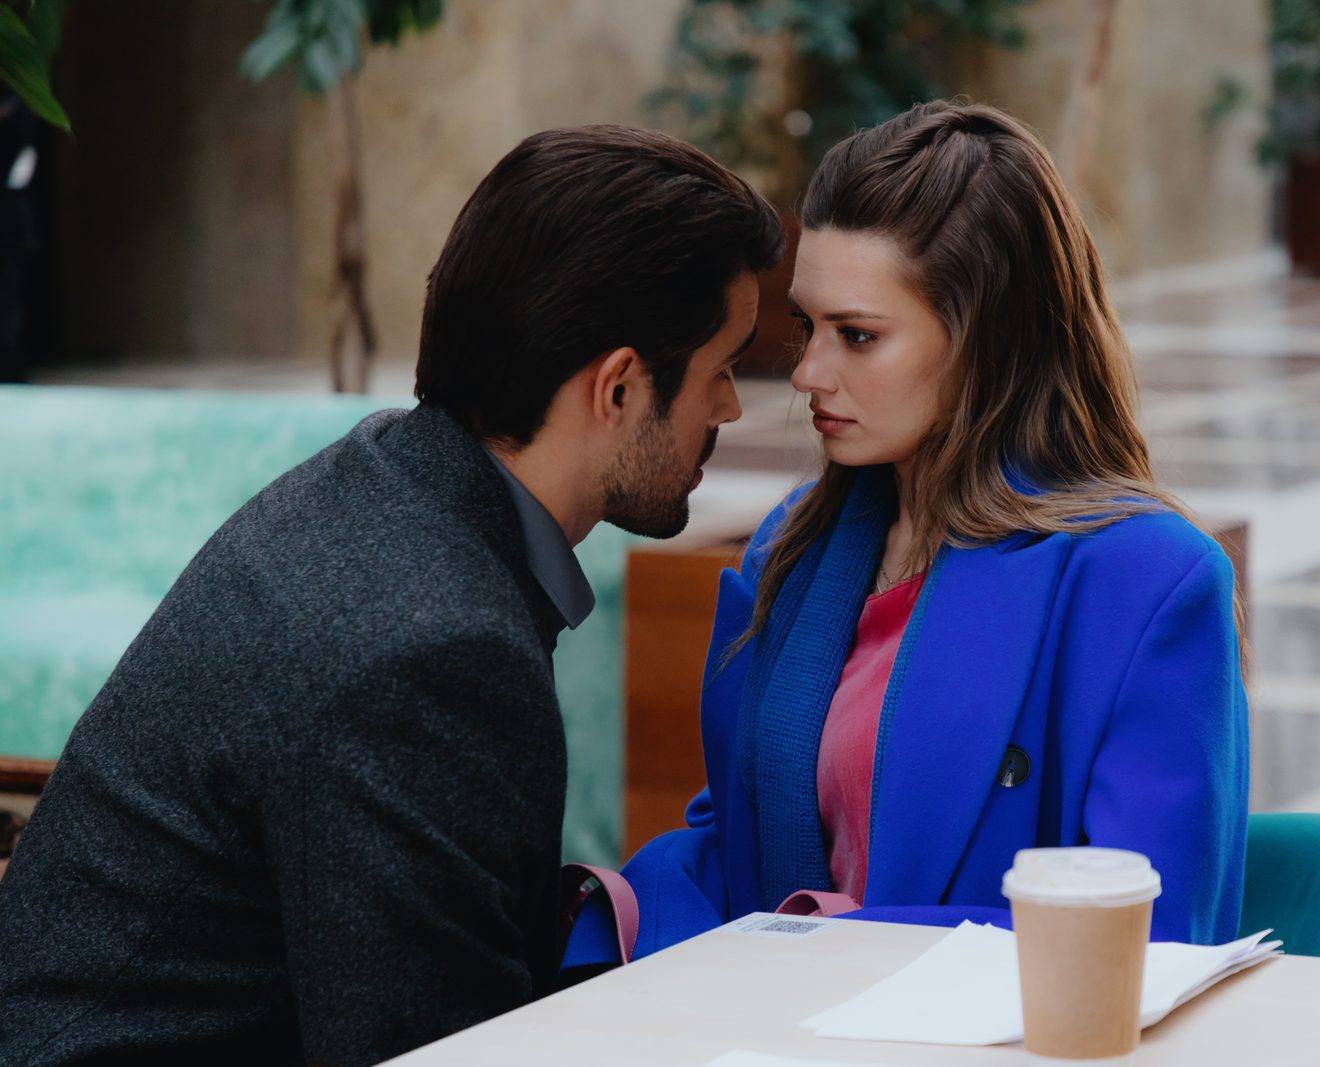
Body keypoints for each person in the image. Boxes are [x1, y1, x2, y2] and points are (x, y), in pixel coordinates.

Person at [0, 125, 781, 1066]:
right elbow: (430, 1049)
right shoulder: (430, 648)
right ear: (617, 387)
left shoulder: (391, 479)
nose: (731, 406)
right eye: (722, 367)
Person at [566, 100, 1248, 968]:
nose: (809, 372)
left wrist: (816, 942)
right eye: (807, 327)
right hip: (768, 1015)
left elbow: (1147, 943)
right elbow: (734, 853)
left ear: (987, 340)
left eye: (858, 336)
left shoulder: (1149, 583)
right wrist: (586, 924)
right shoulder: (794, 548)